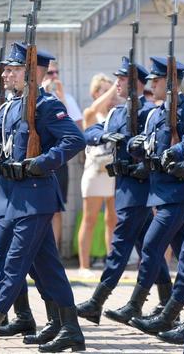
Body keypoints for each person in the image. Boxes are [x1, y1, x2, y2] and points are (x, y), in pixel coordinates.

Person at [0, 42, 86, 353]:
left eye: (13, 69)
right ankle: (69, 330)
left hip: (34, 195)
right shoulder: (12, 105)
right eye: (6, 69)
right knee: (36, 265)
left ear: (32, 73)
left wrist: (44, 162)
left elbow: (74, 139)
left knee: (13, 263)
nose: (6, 74)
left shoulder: (45, 105)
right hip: (9, 194)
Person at [77, 57, 177, 327]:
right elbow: (90, 131)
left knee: (120, 246)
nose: (117, 85)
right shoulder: (117, 113)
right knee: (148, 250)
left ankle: (97, 301)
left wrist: (135, 145)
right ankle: (168, 301)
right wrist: (104, 137)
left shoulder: (147, 112)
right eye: (118, 79)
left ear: (137, 85)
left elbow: (156, 141)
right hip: (122, 187)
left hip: (139, 190)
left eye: (122, 81)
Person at [104, 56, 184, 325]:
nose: (152, 84)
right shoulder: (156, 113)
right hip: (160, 194)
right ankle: (172, 310)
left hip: (179, 194)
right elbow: (147, 146)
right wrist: (135, 147)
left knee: (154, 248)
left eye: (158, 79)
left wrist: (177, 154)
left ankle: (139, 306)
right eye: (151, 80)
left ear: (172, 82)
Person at [78, 73, 118, 276]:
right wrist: (114, 87)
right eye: (104, 90)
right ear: (95, 93)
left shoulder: (114, 114)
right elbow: (94, 109)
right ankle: (84, 266)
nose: (110, 95)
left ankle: (111, 264)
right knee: (90, 217)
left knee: (113, 218)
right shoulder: (91, 113)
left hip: (112, 170)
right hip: (94, 171)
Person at [42, 60, 83, 248]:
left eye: (56, 73)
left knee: (56, 209)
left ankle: (55, 250)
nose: (54, 77)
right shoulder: (37, 98)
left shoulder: (66, 98)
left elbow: (77, 131)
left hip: (58, 161)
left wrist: (61, 97)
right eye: (50, 73)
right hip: (38, 157)